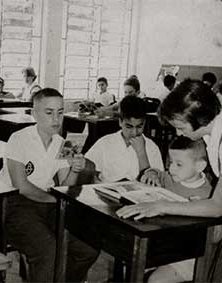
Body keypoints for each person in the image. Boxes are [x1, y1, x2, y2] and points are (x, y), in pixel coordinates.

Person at [116, 79, 222, 280]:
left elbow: (218, 206)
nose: (177, 133)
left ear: (199, 117)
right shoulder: (211, 136)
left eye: (180, 126)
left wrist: (160, 205)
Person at [0, 88, 99, 282]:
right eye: (49, 112)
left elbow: (65, 187)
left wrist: (75, 170)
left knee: (88, 248)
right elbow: (22, 187)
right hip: (14, 205)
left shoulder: (62, 143)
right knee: (48, 251)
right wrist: (56, 200)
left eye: (60, 112)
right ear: (34, 113)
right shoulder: (19, 139)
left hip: (49, 203)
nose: (56, 119)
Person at [140, 136, 212, 283]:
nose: (171, 168)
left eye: (179, 164)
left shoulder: (209, 196)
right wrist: (151, 172)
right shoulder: (171, 177)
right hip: (164, 246)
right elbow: (158, 172)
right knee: (136, 262)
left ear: (200, 166)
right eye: (170, 162)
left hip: (191, 255)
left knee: (155, 280)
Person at [85, 95, 164, 182]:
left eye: (139, 126)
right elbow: (87, 170)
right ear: (120, 122)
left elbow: (157, 183)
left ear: (144, 123)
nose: (134, 133)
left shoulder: (152, 148)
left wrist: (141, 153)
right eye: (129, 127)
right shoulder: (105, 143)